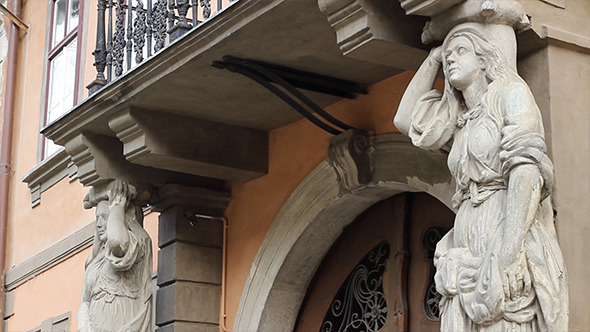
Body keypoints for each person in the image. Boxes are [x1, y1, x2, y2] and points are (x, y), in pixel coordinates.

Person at [394, 24, 568, 331]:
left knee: (506, 320)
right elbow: (404, 119)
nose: (452, 58)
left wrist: (509, 250)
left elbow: (526, 170)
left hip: (503, 221)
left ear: (484, 59)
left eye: (461, 51)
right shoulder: (459, 119)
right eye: (449, 55)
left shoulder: (510, 94)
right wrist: (434, 57)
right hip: (466, 232)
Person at [78, 180, 153, 332]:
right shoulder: (96, 259)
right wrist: (85, 327)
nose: (99, 224)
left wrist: (117, 206)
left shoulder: (137, 242)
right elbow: (85, 301)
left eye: (105, 217)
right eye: (97, 218)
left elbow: (118, 243)